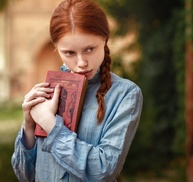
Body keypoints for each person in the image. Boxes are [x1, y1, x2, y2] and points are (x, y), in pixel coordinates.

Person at [11, 0, 143, 181]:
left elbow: (103, 170)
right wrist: (29, 125)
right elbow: (25, 176)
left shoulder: (125, 95)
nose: (81, 63)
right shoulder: (47, 92)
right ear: (56, 49)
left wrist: (50, 125)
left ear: (104, 40)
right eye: (69, 53)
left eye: (90, 49)